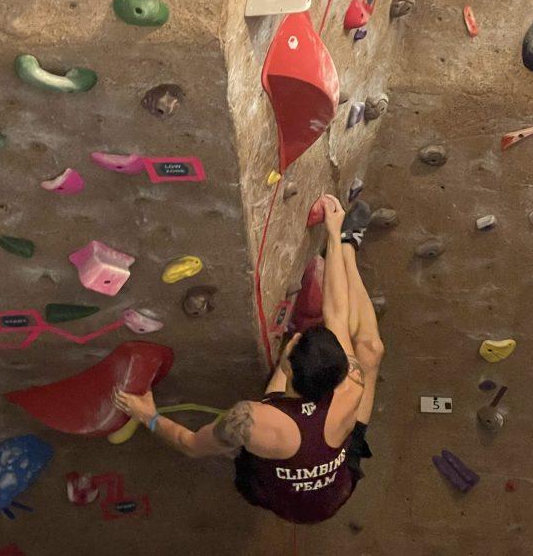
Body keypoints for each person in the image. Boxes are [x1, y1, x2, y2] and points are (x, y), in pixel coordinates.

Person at [113, 195, 384, 524]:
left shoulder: (252, 420)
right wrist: (333, 233)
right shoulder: (351, 386)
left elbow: (191, 445)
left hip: (273, 492)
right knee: (371, 350)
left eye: (294, 345)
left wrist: (149, 416)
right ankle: (348, 244)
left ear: (288, 367)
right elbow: (337, 314)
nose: (295, 337)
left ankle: (345, 245)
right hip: (337, 479)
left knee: (354, 350)